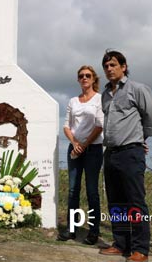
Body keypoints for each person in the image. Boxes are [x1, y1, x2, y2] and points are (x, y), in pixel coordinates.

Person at [99, 50, 152, 262]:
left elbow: (151, 116)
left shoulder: (138, 89)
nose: (109, 69)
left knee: (135, 201)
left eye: (113, 65)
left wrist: (142, 141)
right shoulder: (105, 94)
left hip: (130, 152)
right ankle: (120, 244)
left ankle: (140, 249)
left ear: (123, 66)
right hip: (111, 153)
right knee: (116, 202)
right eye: (106, 66)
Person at [57, 66, 104, 245]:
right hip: (74, 149)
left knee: (92, 191)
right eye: (81, 76)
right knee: (72, 190)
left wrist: (84, 144)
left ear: (93, 79)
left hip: (93, 150)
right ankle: (71, 229)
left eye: (88, 75)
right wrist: (75, 144)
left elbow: (100, 125)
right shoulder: (72, 101)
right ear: (78, 79)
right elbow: (66, 126)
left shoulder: (100, 99)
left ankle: (93, 231)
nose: (84, 78)